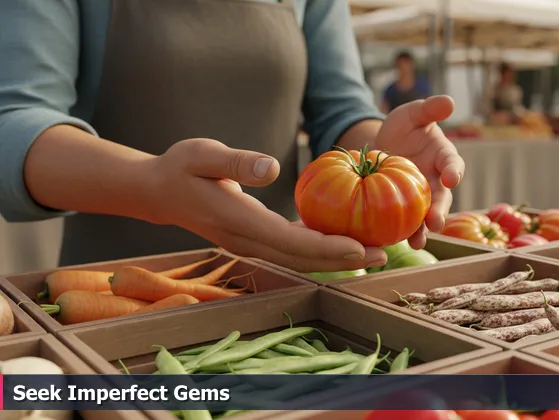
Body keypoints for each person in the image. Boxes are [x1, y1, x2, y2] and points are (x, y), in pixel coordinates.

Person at [0, 1, 464, 273]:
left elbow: (339, 110)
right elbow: (14, 122)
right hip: (114, 290)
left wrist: (385, 157)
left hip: (285, 279)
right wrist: (150, 185)